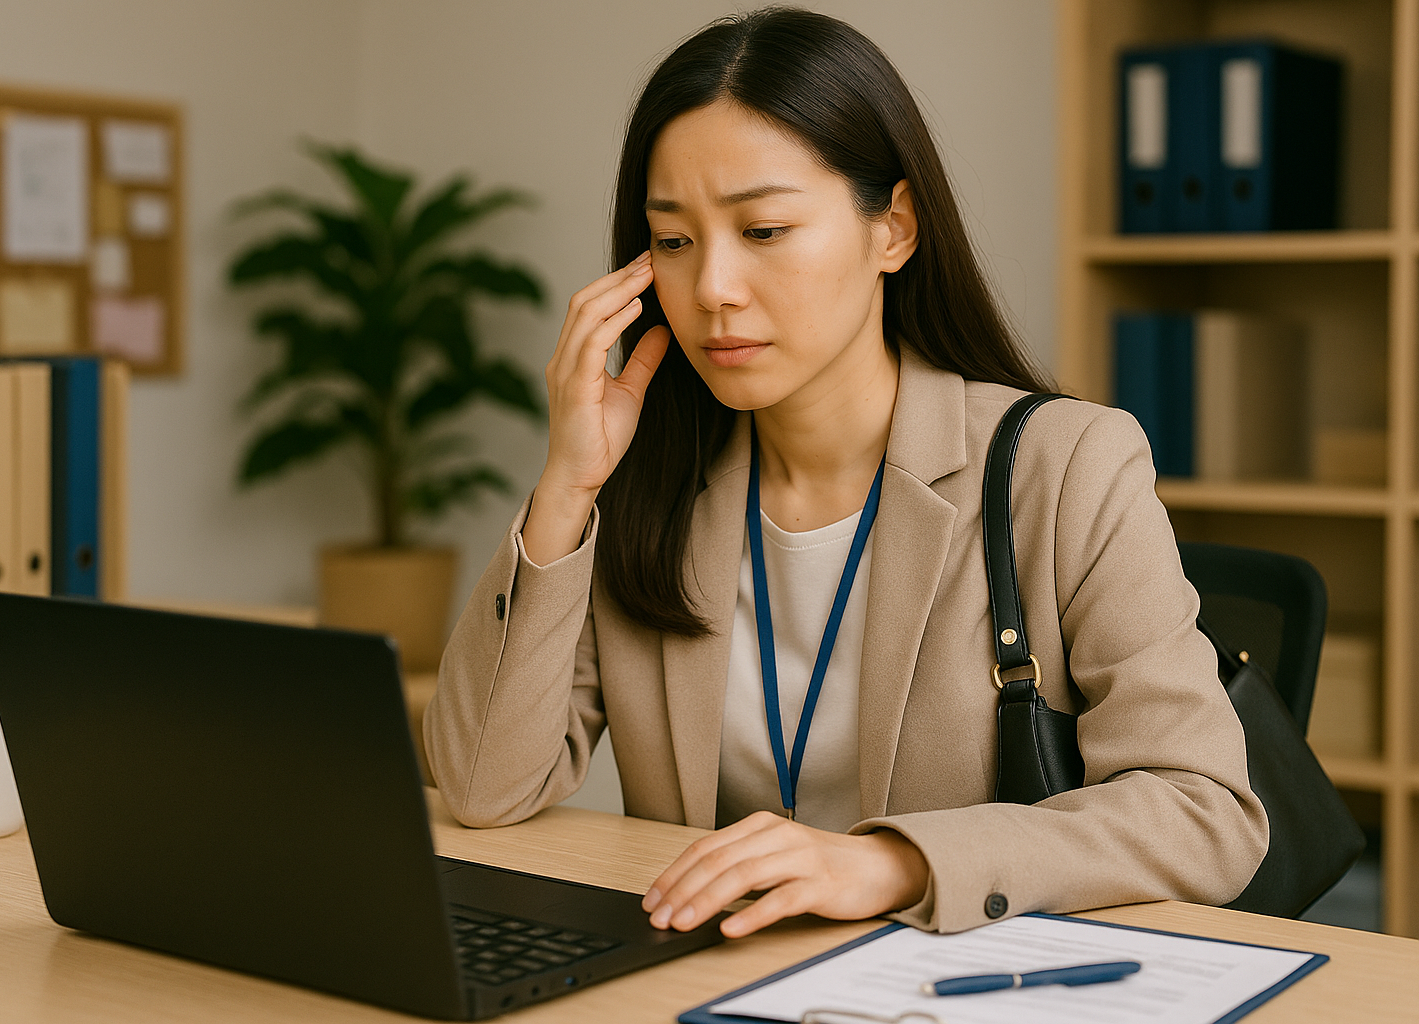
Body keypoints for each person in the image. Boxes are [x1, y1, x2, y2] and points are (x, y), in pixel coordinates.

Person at [426, 7, 1268, 939]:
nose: (712, 288)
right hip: (707, 979)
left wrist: (895, 862)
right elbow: (480, 790)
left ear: (892, 231)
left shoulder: (1065, 466)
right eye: (673, 241)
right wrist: (566, 489)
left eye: (765, 229)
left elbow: (1204, 812)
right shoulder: (643, 484)